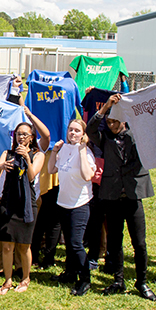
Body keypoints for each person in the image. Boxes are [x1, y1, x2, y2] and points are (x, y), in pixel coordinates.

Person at [86, 95, 156, 301]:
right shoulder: (105, 138)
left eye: (115, 121)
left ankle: (142, 282)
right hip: (113, 197)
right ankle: (118, 280)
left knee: (140, 243)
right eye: (109, 122)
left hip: (133, 197)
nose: (112, 125)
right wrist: (105, 107)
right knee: (115, 242)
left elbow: (155, 125)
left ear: (124, 120)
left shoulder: (137, 136)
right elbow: (90, 129)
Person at [0, 121, 45, 294]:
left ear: (31, 137)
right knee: (7, 245)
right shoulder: (7, 153)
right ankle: (7, 281)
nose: (21, 137)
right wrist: (0, 167)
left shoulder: (38, 155)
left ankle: (25, 278)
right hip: (8, 202)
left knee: (24, 246)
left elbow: (31, 176)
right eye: (18, 134)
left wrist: (27, 159)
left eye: (25, 134)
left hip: (26, 204)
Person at [47, 119, 95, 297]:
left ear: (83, 134)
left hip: (79, 204)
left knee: (76, 244)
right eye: (70, 130)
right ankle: (69, 273)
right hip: (63, 202)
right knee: (69, 243)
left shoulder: (86, 152)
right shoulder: (65, 149)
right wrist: (55, 151)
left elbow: (87, 175)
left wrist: (82, 150)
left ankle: (85, 279)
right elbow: (52, 169)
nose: (73, 133)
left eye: (77, 131)